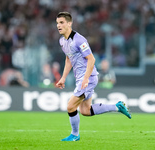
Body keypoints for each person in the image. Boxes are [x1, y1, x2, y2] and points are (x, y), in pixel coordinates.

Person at [55, 12, 131, 142]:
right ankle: (117, 106)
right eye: (57, 23)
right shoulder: (62, 41)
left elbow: (91, 59)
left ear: (69, 23)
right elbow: (69, 58)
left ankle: (75, 135)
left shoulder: (79, 40)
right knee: (85, 111)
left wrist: (85, 79)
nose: (58, 26)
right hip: (81, 79)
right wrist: (63, 78)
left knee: (70, 106)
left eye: (61, 23)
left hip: (88, 78)